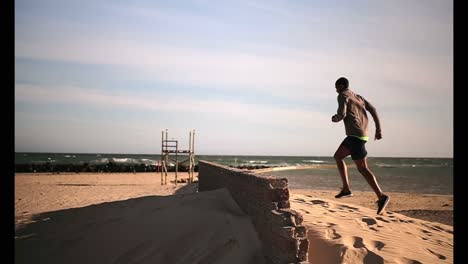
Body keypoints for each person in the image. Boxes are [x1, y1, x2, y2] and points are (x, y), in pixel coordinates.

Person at [331, 77, 390, 215]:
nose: (335, 90)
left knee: (339, 157)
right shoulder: (358, 97)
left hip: (354, 135)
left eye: (336, 87)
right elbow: (373, 109)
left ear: (341, 86)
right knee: (362, 168)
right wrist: (378, 129)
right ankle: (380, 196)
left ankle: (348, 189)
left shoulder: (343, 95)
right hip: (363, 136)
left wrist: (335, 118)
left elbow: (342, 113)